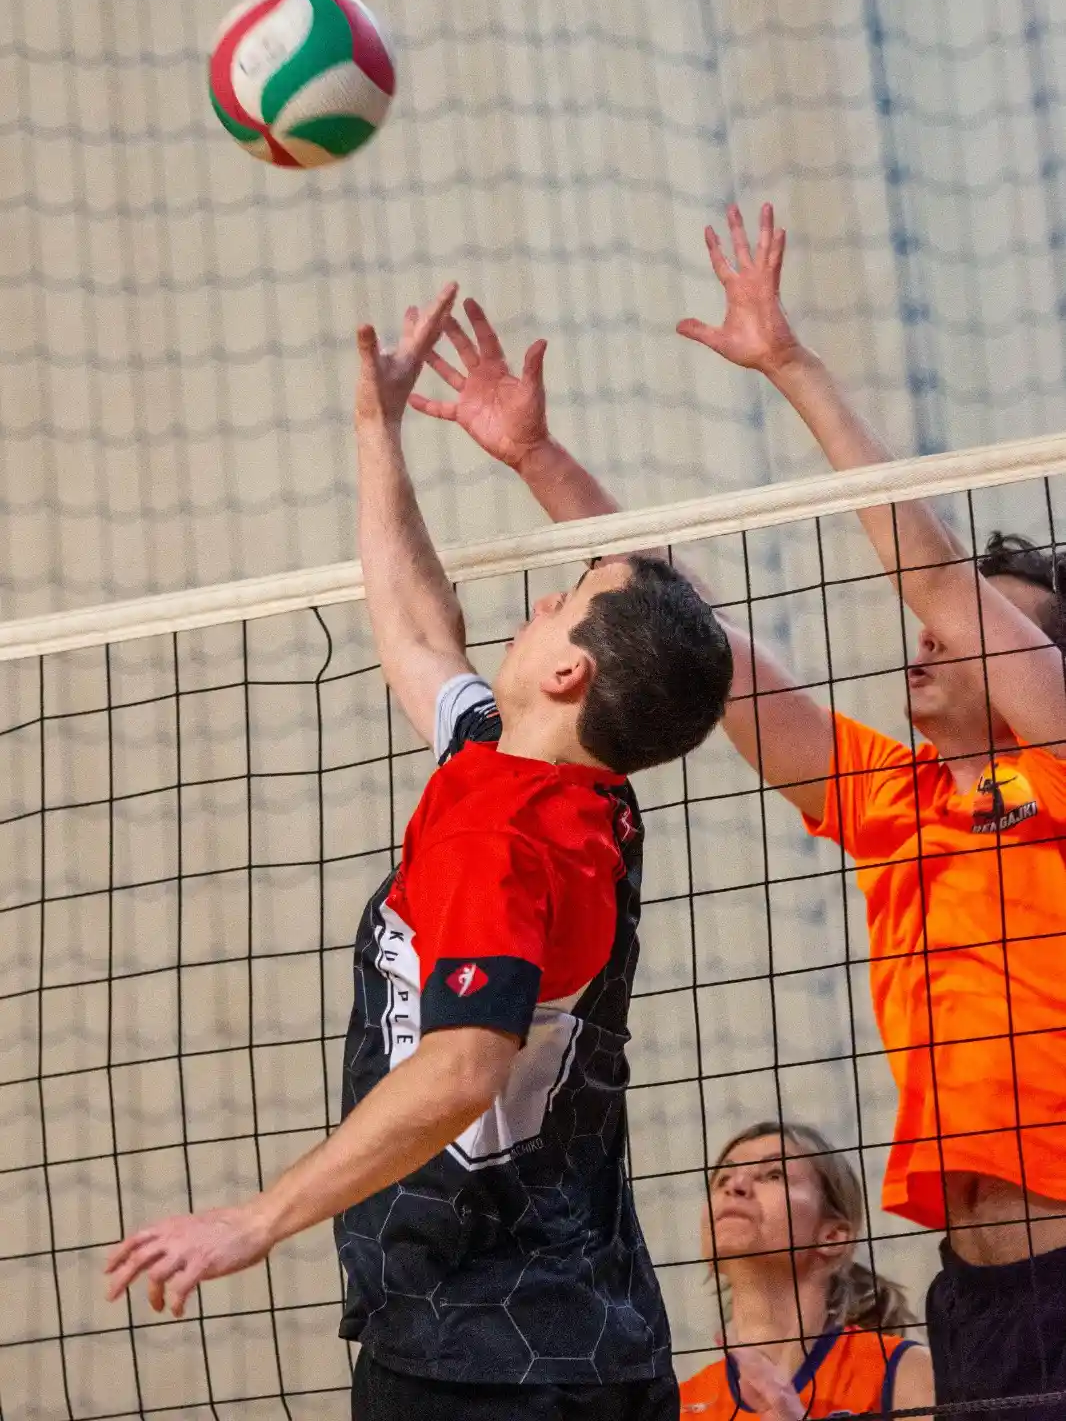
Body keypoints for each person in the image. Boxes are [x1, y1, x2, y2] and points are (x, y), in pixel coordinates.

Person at [412, 235, 1066, 1418]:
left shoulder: (1058, 773)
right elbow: (694, 639)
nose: (933, 636)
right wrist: (538, 457)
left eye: (986, 626)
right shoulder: (892, 796)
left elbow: (931, 580)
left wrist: (791, 365)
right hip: (976, 1289)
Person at [104, 282, 735, 1421]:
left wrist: (254, 1220)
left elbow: (460, 1070)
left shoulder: (505, 840)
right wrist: (376, 429)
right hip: (599, 1336)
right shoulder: (557, 781)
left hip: (478, 1354)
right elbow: (413, 625)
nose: (545, 594)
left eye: (567, 598)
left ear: (569, 672)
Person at [678, 1121, 932, 1419]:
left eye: (774, 1174)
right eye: (723, 1178)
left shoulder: (902, 1370)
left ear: (833, 1236)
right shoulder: (683, 1404)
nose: (735, 1186)